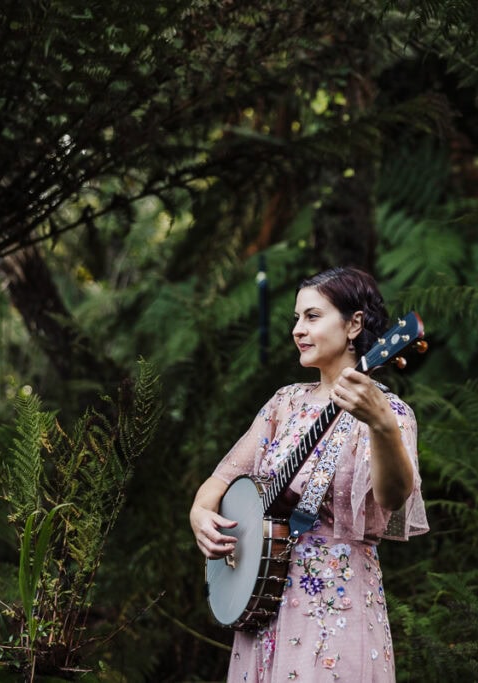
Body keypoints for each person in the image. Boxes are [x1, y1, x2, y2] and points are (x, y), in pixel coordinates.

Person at [190, 266, 429, 682]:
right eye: (296, 318)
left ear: (354, 324)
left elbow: (393, 498)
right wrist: (200, 512)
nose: (298, 329)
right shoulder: (284, 404)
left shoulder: (391, 414)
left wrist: (382, 427)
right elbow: (223, 477)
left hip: (336, 607)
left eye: (312, 316)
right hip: (262, 601)